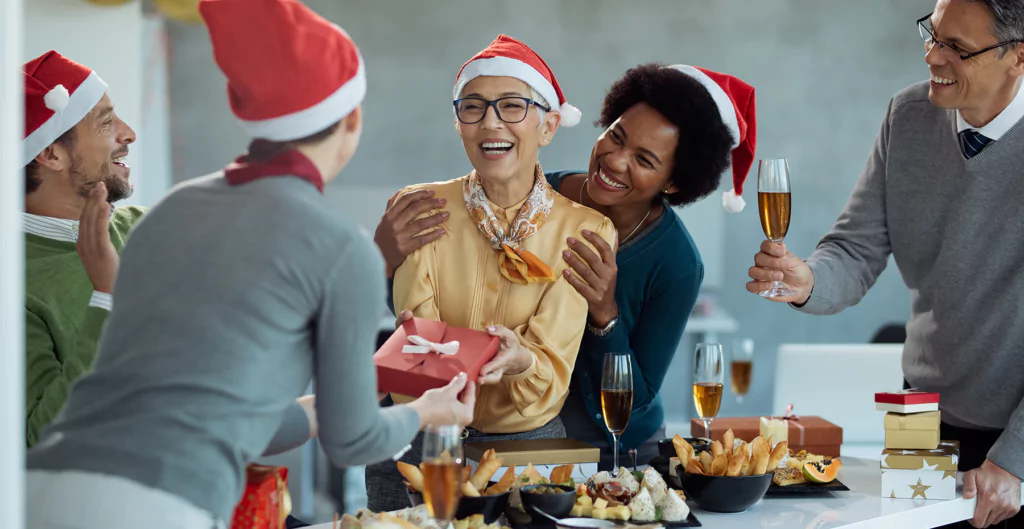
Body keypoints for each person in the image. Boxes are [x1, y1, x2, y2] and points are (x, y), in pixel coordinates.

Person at [26, 1, 474, 527]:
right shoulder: (340, 246)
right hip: (156, 505)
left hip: (42, 491)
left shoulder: (170, 213)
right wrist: (429, 411)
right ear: (352, 117)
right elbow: (352, 440)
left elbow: (235, 420)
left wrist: (362, 381)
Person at [375, 63, 756, 470]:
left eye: (644, 159)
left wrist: (605, 314)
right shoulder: (531, 193)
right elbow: (418, 310)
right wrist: (383, 260)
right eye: (615, 137)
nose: (615, 161)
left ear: (673, 182)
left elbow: (639, 395)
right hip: (488, 429)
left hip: (609, 443)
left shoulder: (678, 263)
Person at [747, 1, 1023, 527]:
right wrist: (806, 281)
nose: (932, 56)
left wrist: (1015, 459)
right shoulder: (908, 115)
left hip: (1014, 441)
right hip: (923, 420)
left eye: (957, 48)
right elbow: (855, 247)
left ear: (1018, 58)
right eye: (932, 34)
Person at [366, 35, 616, 510]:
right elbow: (415, 349)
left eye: (512, 106)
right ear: (458, 124)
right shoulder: (419, 207)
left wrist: (522, 360)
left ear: (548, 127)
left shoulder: (587, 230)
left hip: (531, 448)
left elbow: (550, 364)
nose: (490, 123)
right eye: (473, 107)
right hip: (421, 440)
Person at [21, 50, 146, 446]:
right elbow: (40, 438)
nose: (128, 134)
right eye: (106, 122)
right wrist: (106, 297)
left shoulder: (154, 228)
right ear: (51, 153)